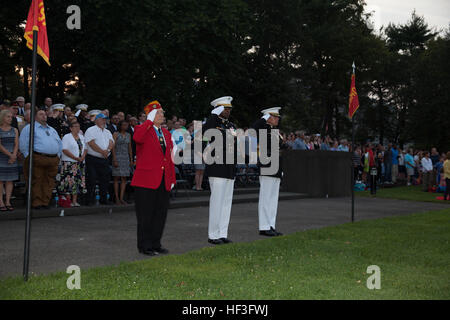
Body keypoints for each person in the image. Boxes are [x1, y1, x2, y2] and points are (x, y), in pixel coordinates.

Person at [131, 100, 176, 256]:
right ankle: (145, 246)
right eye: (159, 113)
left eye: (162, 113)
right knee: (145, 215)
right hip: (145, 181)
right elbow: (137, 138)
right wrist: (148, 121)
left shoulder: (166, 133)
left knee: (160, 214)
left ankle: (156, 243)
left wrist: (172, 179)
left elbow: (169, 158)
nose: (163, 115)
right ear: (151, 115)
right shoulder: (142, 129)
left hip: (163, 180)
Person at [203, 96, 237, 245]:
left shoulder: (230, 125)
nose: (228, 111)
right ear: (218, 109)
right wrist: (213, 115)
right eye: (225, 108)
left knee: (226, 202)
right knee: (217, 201)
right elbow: (203, 134)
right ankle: (213, 234)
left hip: (229, 167)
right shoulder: (212, 123)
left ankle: (222, 233)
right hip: (217, 166)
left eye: (229, 109)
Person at [19, 108, 62, 209]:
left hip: (52, 159)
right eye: (41, 114)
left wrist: (58, 156)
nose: (44, 116)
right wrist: (28, 157)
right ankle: (36, 203)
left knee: (49, 182)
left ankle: (45, 202)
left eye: (45, 114)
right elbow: (23, 143)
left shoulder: (51, 129)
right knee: (36, 181)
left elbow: (59, 143)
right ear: (35, 117)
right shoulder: (29, 128)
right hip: (37, 157)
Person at [252, 107, 283, 237]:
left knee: (273, 198)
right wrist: (264, 118)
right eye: (275, 117)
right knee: (266, 197)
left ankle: (271, 224)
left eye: (277, 117)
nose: (277, 119)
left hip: (276, 166)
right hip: (267, 165)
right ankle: (264, 227)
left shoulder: (275, 131)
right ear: (268, 117)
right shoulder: (262, 129)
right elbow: (253, 128)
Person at [84, 113, 114, 205]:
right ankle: (89, 200)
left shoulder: (107, 131)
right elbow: (91, 143)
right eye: (102, 119)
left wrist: (108, 150)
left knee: (105, 179)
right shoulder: (90, 130)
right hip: (93, 158)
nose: (104, 121)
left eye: (105, 119)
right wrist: (102, 151)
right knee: (91, 179)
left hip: (104, 159)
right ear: (96, 120)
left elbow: (111, 142)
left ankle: (103, 199)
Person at [58, 121, 87, 207]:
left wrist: (82, 157)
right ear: (70, 128)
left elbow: (85, 148)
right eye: (75, 126)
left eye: (78, 126)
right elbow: (64, 149)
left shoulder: (82, 137)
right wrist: (76, 158)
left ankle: (75, 201)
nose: (77, 128)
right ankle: (68, 200)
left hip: (80, 163)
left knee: (77, 182)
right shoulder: (67, 137)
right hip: (69, 163)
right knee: (69, 182)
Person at [0, 110, 19, 211]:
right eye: (8, 117)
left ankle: (7, 201)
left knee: (9, 180)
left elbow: (16, 144)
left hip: (12, 157)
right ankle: (1, 202)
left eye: (11, 117)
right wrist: (10, 155)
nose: (10, 119)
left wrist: (14, 155)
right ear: (3, 117)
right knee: (0, 180)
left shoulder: (14, 130)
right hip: (2, 157)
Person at [112, 120, 133, 205]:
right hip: (117, 156)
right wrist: (114, 159)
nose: (125, 126)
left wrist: (131, 159)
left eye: (127, 125)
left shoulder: (128, 135)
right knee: (116, 178)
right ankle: (116, 197)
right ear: (120, 126)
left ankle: (121, 198)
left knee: (124, 178)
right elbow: (113, 147)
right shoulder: (116, 134)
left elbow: (130, 148)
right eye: (123, 125)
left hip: (125, 158)